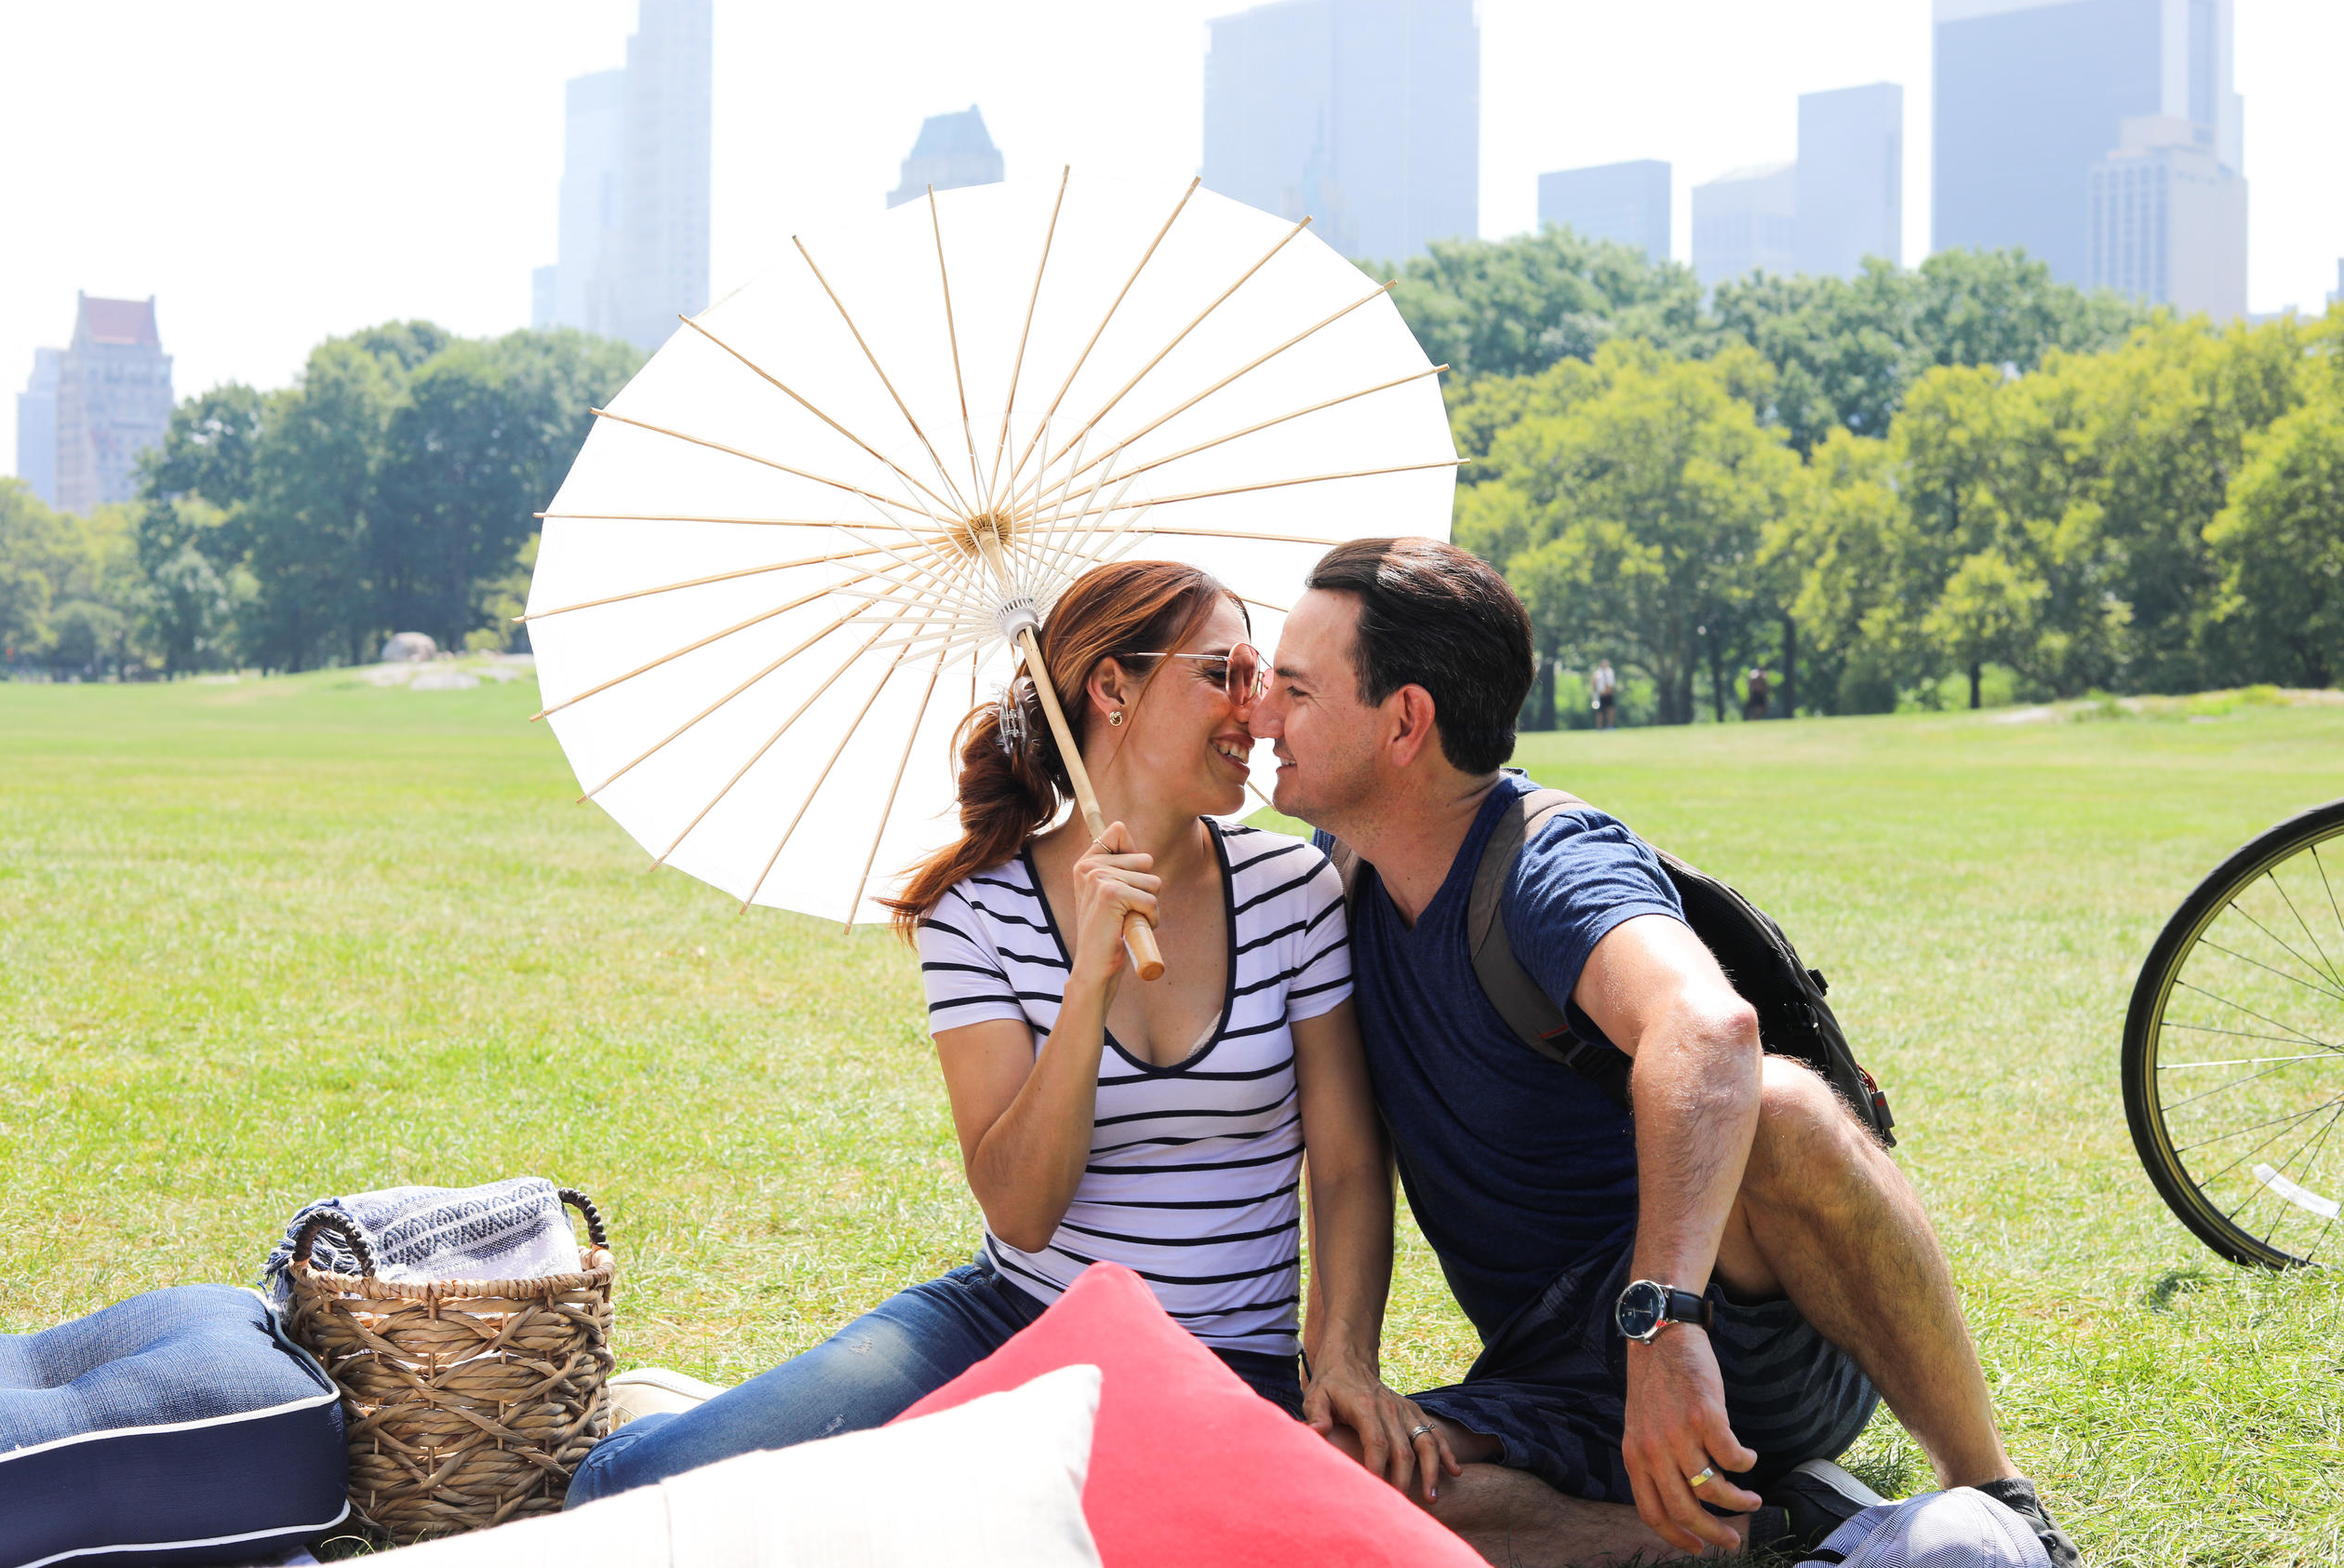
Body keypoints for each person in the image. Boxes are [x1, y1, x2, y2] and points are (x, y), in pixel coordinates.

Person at [1247, 538, 2077, 1566]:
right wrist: (1343, 1365)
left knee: (1778, 1107)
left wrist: (1662, 1326)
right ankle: (1745, 1542)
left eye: (1292, 689)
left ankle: (1994, 1497)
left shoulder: (1545, 865)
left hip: (1736, 1335)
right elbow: (1347, 1158)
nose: (1259, 716)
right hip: (1555, 1381)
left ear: (1405, 722)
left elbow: (1708, 1027)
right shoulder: (1341, 882)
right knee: (1320, 1467)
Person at [567, 559, 1427, 1506]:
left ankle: (821, 1450)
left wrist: (1342, 1357)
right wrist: (1085, 985)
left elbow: (1346, 1162)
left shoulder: (1291, 890)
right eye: (1221, 673)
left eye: (1258, 677)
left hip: (1224, 1361)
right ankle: (730, 1428)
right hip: (1014, 1321)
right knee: (632, 1488)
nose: (1253, 710)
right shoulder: (975, 912)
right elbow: (1020, 1211)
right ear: (1112, 688)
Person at [1592, 660, 1618, 730]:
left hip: (1609, 694)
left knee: (1611, 710)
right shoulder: (1597, 673)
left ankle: (1610, 726)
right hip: (1601, 694)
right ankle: (1599, 727)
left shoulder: (1610, 672)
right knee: (1600, 712)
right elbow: (1594, 684)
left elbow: (1612, 683)